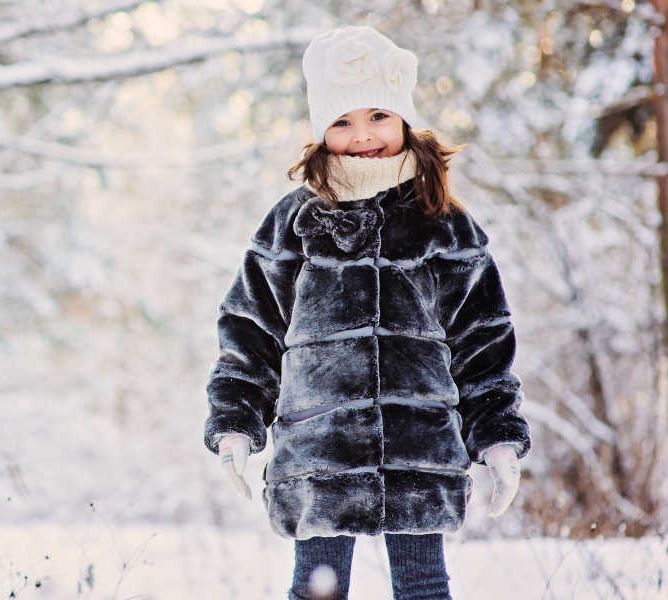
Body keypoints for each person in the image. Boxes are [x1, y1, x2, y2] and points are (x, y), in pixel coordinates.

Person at [203, 26, 531, 600]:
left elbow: (483, 338)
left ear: (404, 116)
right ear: (320, 131)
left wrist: (497, 436)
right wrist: (236, 423)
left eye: (378, 115)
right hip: (321, 447)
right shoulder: (295, 221)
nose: (362, 136)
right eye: (342, 121)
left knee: (425, 588)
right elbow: (250, 330)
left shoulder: (443, 221)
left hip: (420, 447)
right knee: (318, 590)